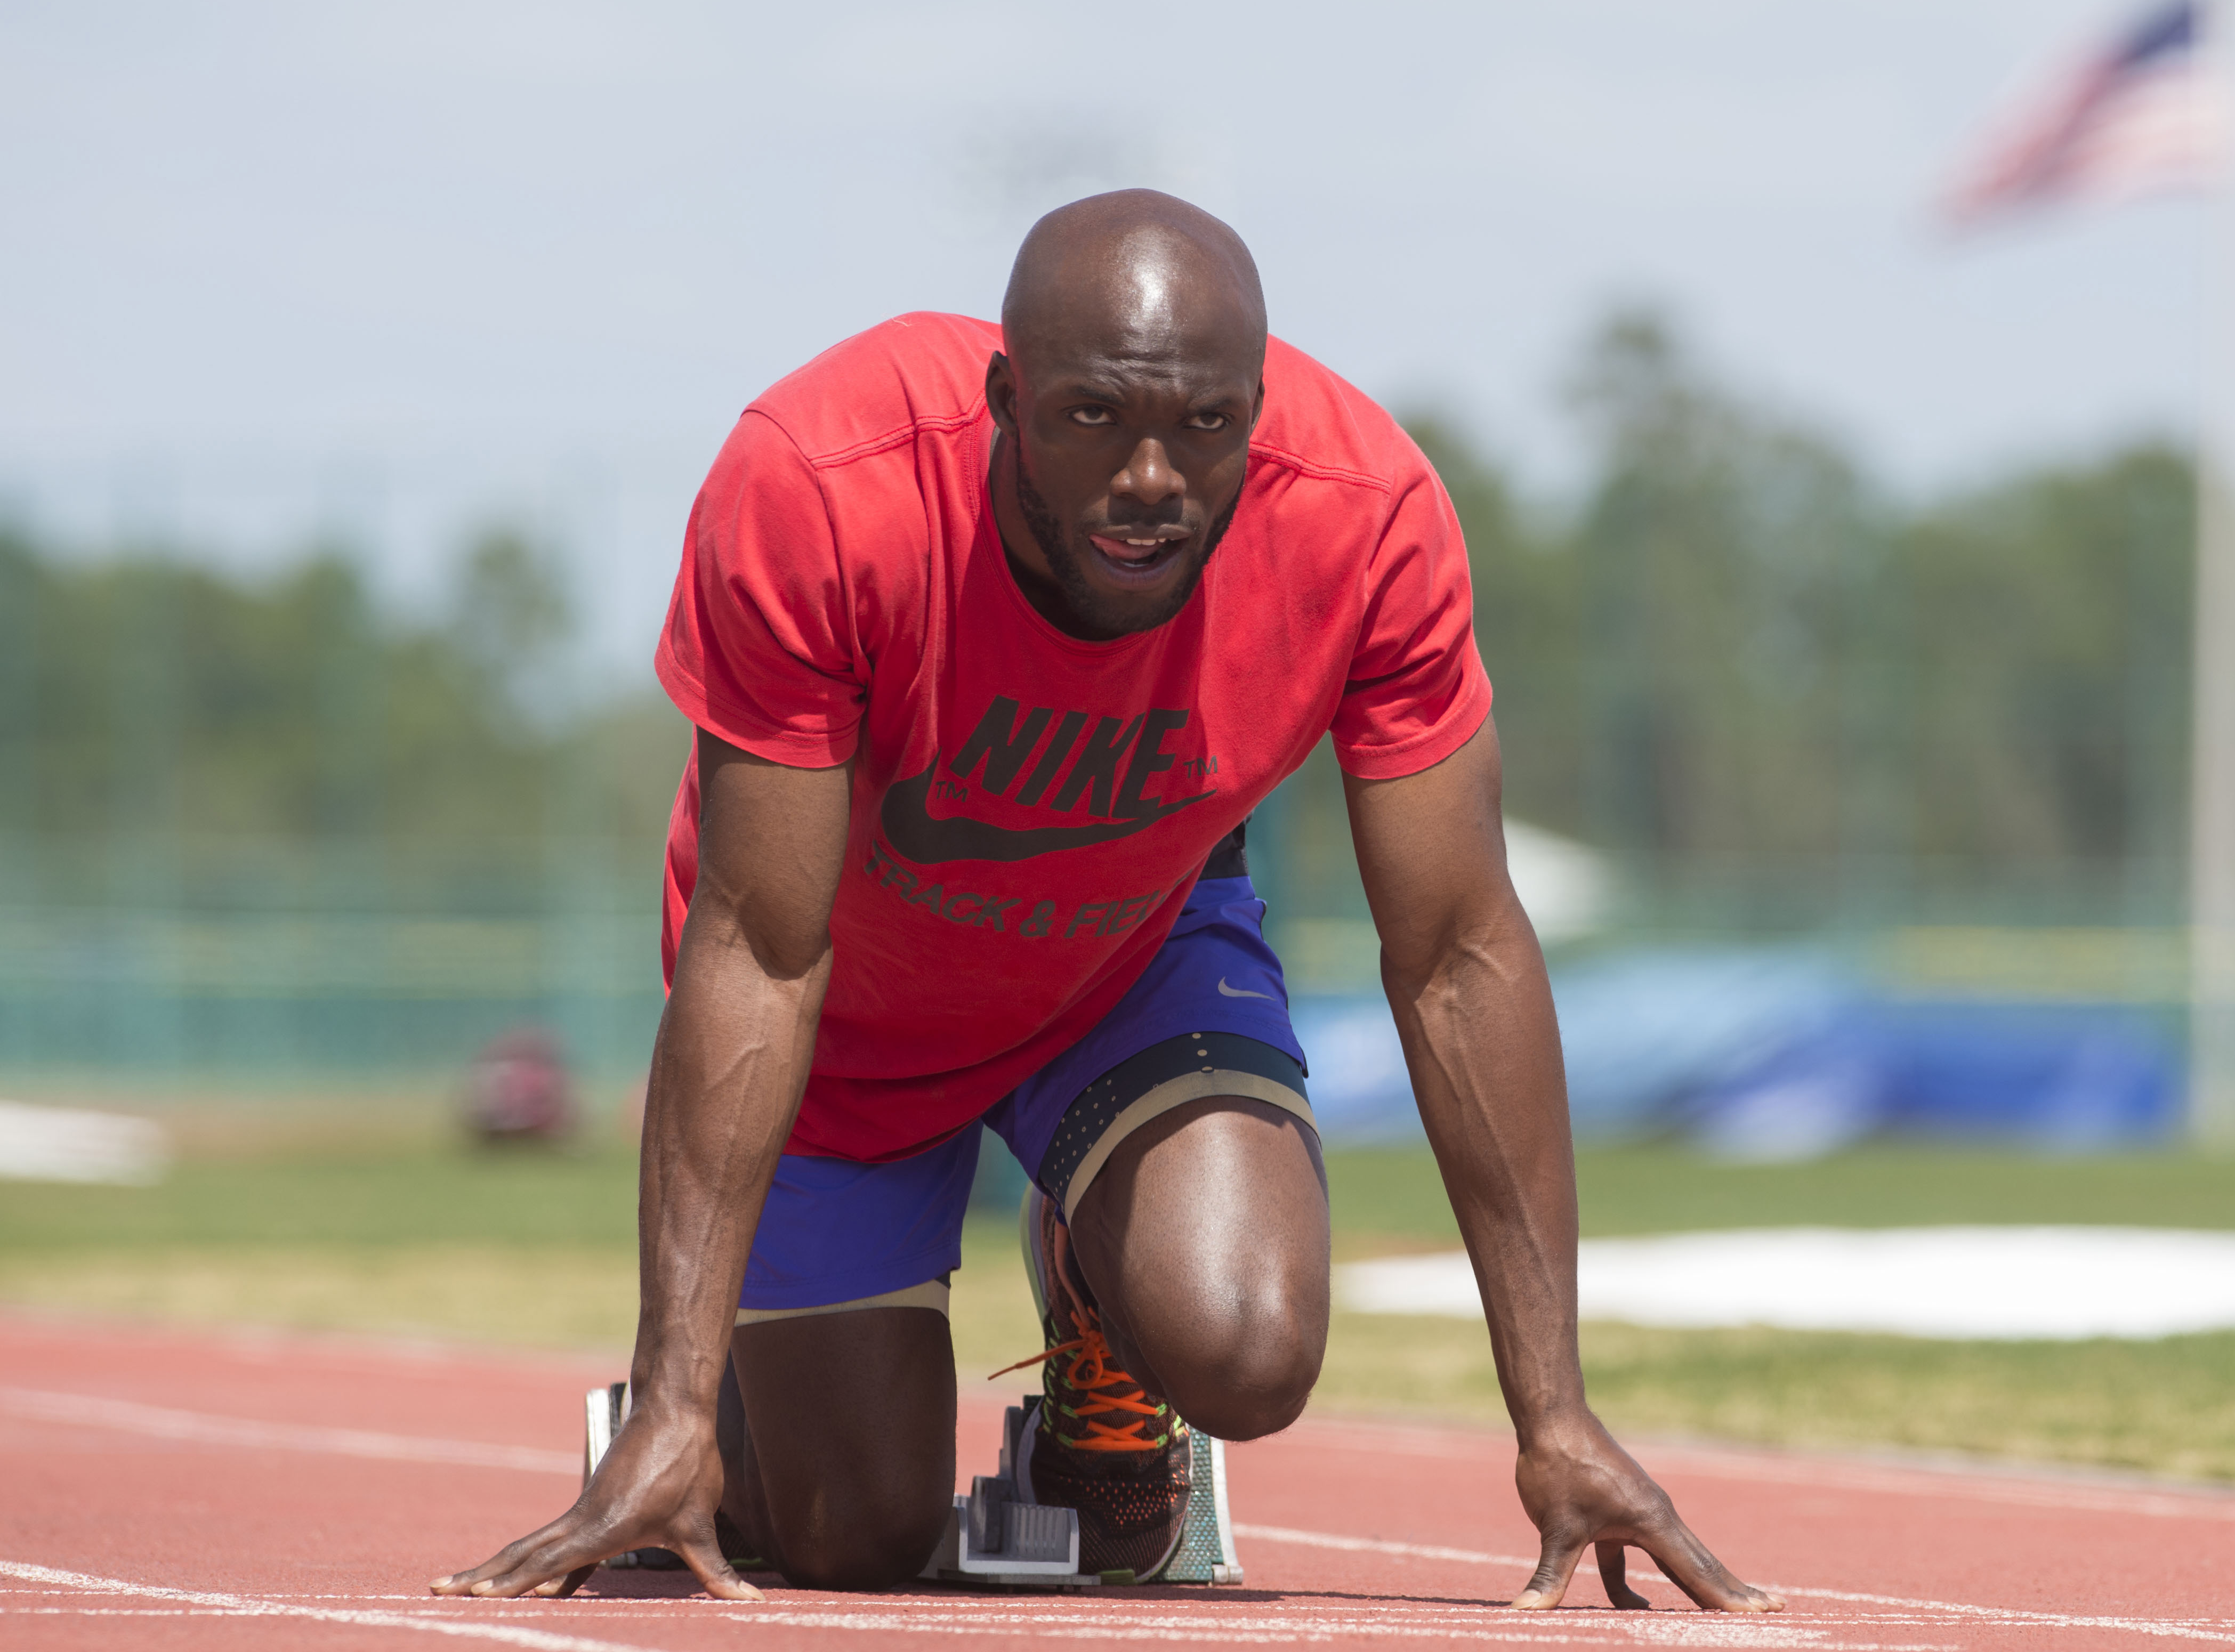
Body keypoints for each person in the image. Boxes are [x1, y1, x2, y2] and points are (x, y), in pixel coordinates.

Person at [433, 190, 1773, 1614]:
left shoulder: (1366, 516)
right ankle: (696, 1419)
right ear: (1007, 398)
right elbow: (762, 950)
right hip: (845, 1017)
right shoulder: (823, 480)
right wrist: (675, 1399)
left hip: (1124, 965)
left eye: (1205, 426)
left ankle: (1094, 1302)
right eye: (1092, 418)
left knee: (1250, 1347)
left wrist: (1556, 1414)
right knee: (854, 1540)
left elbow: (1457, 952)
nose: (1151, 477)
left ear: (1256, 412)